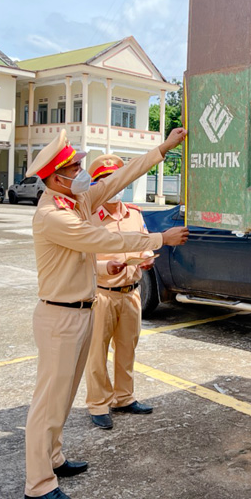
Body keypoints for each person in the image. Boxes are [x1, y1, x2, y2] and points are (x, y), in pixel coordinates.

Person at [24, 128, 189, 499]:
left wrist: (163, 148)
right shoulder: (54, 215)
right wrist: (160, 239)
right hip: (59, 316)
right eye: (75, 167)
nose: (82, 171)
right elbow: (105, 240)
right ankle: (37, 485)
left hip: (80, 312)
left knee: (62, 397)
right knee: (48, 401)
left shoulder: (75, 200)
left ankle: (53, 457)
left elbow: (118, 178)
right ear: (56, 177)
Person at [84, 154, 155, 430]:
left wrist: (147, 256)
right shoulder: (89, 217)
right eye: (107, 181)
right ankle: (99, 404)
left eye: (118, 179)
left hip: (131, 293)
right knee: (97, 353)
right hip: (102, 293)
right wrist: (104, 267)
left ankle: (124, 398)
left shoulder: (133, 214)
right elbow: (81, 259)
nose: (115, 186)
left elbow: (144, 242)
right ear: (98, 184)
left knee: (127, 349)